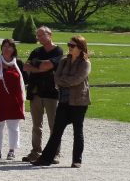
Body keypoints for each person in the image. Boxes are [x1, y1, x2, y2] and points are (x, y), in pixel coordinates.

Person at [32, 35, 91, 168]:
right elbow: (56, 78)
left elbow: (77, 79)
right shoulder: (64, 61)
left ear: (80, 48)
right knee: (57, 131)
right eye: (68, 45)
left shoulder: (85, 63)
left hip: (79, 102)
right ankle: (45, 159)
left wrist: (64, 81)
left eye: (72, 46)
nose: (69, 48)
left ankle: (77, 160)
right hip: (64, 101)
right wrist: (64, 81)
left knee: (78, 131)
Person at [22, 26, 64, 163]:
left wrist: (38, 65)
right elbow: (26, 67)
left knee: (54, 126)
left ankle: (55, 153)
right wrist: (41, 66)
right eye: (38, 36)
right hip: (36, 93)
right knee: (36, 126)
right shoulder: (36, 51)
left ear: (50, 34)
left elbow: (49, 65)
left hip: (51, 93)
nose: (39, 38)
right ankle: (36, 152)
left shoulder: (58, 51)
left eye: (41, 35)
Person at [0, 39, 26, 161]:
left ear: (13, 49)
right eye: (4, 46)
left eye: (9, 46)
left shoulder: (18, 63)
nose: (6, 49)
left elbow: (24, 80)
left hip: (14, 99)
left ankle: (12, 150)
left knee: (13, 126)